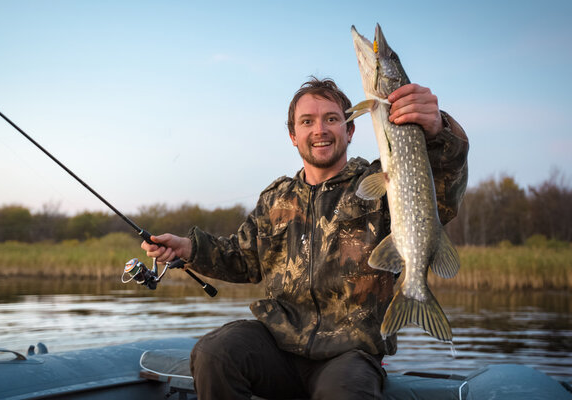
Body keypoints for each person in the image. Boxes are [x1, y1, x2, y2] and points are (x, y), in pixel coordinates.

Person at [141, 78, 469, 399]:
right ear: (293, 136)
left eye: (331, 119)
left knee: (342, 391)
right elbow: (242, 259)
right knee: (215, 353)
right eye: (307, 121)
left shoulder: (381, 183)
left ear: (350, 129)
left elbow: (439, 188)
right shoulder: (275, 198)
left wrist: (439, 129)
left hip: (348, 354)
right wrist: (189, 248)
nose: (320, 130)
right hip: (277, 345)